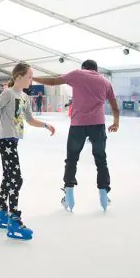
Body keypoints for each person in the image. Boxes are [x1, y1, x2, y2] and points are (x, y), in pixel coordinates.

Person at [0, 63, 56, 240]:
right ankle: (14, 220)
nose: (31, 80)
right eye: (29, 77)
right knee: (16, 179)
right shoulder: (8, 94)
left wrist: (46, 125)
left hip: (12, 141)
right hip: (5, 141)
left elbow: (29, 120)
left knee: (8, 178)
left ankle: (1, 213)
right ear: (19, 77)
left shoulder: (24, 97)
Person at [32, 60, 119, 212]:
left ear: (83, 68)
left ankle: (69, 191)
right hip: (98, 125)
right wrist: (116, 123)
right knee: (101, 159)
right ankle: (104, 192)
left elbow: (52, 81)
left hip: (78, 125)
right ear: (96, 69)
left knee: (72, 159)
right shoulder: (106, 82)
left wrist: (32, 78)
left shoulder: (78, 74)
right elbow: (114, 106)